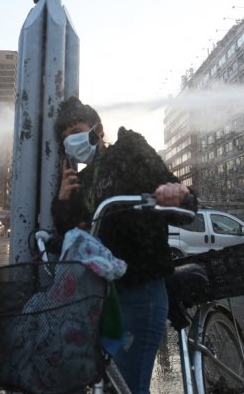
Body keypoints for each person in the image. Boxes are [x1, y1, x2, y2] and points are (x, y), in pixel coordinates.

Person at [51, 97, 197, 394]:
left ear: (97, 129)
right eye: (65, 138)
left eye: (76, 130)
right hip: (98, 295)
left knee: (128, 385)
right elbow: (74, 234)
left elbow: (174, 191)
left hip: (139, 287)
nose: (71, 140)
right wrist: (63, 200)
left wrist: (178, 193)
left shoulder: (128, 149)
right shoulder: (81, 179)